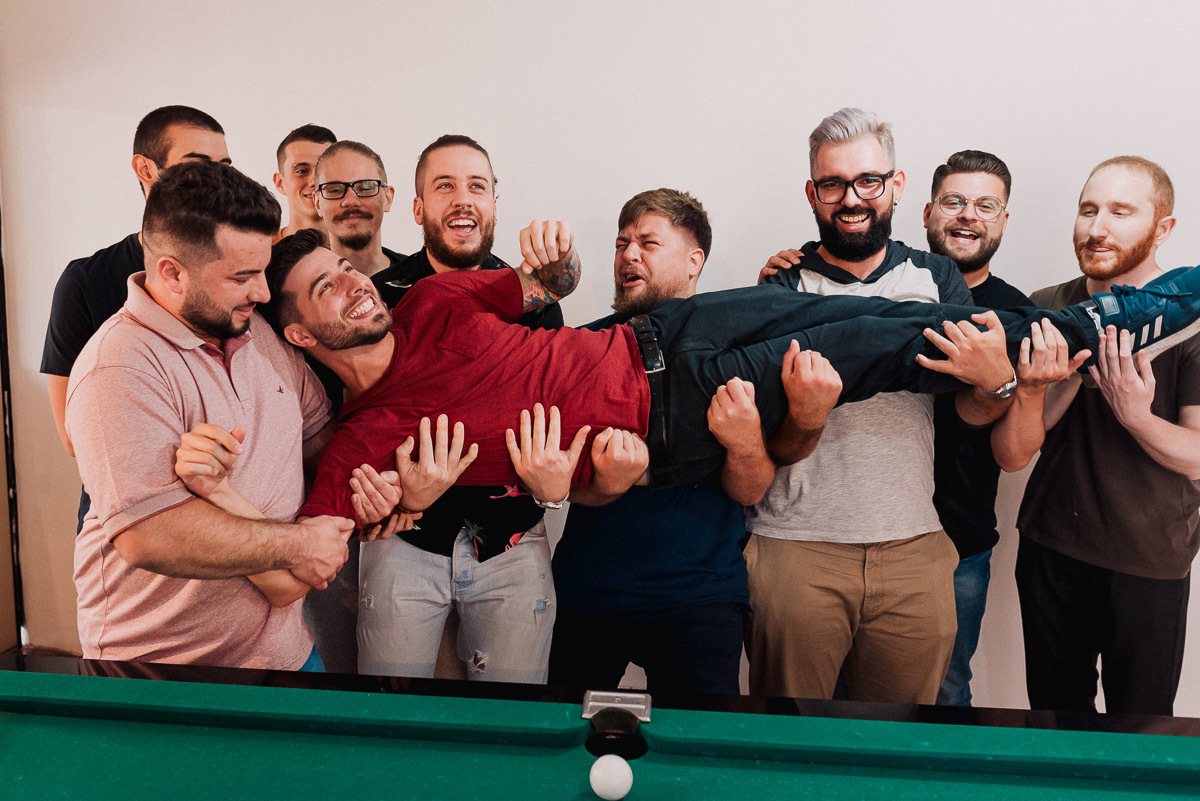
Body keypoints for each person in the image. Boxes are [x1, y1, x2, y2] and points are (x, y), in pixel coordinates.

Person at [258, 218, 1200, 534]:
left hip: (666, 330)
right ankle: (1092, 325)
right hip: (672, 410)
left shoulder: (431, 301)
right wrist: (396, 507)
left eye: (346, 267)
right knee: (876, 351)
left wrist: (555, 266)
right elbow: (305, 557)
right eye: (324, 287)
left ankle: (1081, 324)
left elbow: (547, 288)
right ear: (298, 332)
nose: (354, 282)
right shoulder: (363, 443)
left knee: (882, 315)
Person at [747, 108, 1016, 704]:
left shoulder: (938, 276)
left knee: (901, 741)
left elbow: (967, 412)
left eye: (868, 181)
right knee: (790, 738)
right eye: (833, 184)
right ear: (812, 194)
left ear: (896, 186)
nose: (852, 199)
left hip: (914, 549)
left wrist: (997, 384)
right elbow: (771, 440)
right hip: (795, 548)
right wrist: (807, 414)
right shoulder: (782, 286)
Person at [66, 160, 355, 669]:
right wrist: (297, 545)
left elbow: (319, 440)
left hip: (287, 651)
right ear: (171, 273)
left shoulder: (254, 328)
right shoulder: (118, 367)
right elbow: (149, 535)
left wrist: (379, 488)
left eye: (262, 270)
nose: (263, 293)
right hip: (162, 670)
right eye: (242, 277)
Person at [547, 188, 836, 695]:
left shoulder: (742, 353)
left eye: (648, 243)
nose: (629, 255)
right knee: (564, 735)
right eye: (621, 243)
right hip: (587, 592)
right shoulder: (583, 347)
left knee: (700, 742)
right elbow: (554, 477)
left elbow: (751, 489)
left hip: (700, 597)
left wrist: (744, 442)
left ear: (694, 261)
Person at [357, 136, 564, 682]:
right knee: (388, 709)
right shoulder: (375, 299)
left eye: (477, 186)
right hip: (401, 536)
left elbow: (551, 420)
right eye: (444, 186)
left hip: (512, 542)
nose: (462, 198)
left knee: (514, 717)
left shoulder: (538, 301)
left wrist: (554, 489)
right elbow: (352, 419)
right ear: (418, 207)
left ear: (494, 202)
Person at [1016, 155, 1200, 716]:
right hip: (1050, 549)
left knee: (1140, 735)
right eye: (1088, 209)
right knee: (1055, 726)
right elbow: (1016, 442)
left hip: (1150, 560)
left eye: (1121, 212)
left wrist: (1136, 415)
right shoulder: (1047, 306)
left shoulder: (1192, 319)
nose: (1097, 228)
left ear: (1162, 228)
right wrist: (1068, 373)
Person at [922, 150, 1084, 706]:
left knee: (947, 692)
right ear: (927, 212)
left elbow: (1013, 456)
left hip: (959, 545)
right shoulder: (884, 288)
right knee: (841, 700)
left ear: (1004, 220)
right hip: (862, 536)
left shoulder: (1020, 316)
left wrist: (1030, 387)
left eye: (986, 205)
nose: (969, 215)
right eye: (954, 201)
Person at [42, 105, 230, 532]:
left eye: (223, 167)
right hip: (132, 523)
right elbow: (73, 436)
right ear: (146, 169)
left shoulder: (248, 277)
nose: (215, 180)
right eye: (196, 164)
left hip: (239, 515)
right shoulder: (86, 281)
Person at [313, 140, 406, 277]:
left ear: (388, 198)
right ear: (317, 203)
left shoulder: (421, 278)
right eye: (334, 190)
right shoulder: (298, 285)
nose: (351, 201)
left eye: (365, 187)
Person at [273, 124, 337, 241]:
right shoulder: (260, 248)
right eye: (301, 171)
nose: (314, 182)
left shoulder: (363, 249)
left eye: (324, 170)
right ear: (280, 183)